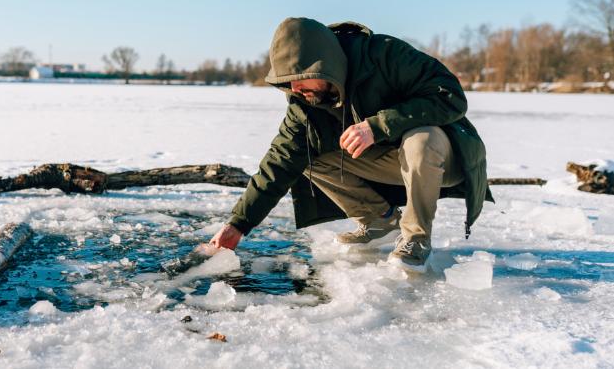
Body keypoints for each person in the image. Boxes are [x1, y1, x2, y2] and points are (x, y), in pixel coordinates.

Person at [209, 17, 492, 272]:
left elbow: (451, 96)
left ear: (323, 66)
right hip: (390, 162)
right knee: (305, 156)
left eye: (300, 79)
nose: (295, 89)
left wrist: (378, 126)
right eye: (288, 82)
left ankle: (416, 239)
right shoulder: (304, 102)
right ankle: (378, 219)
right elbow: (280, 160)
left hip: (445, 157)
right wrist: (238, 224)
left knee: (421, 139)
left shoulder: (384, 55)